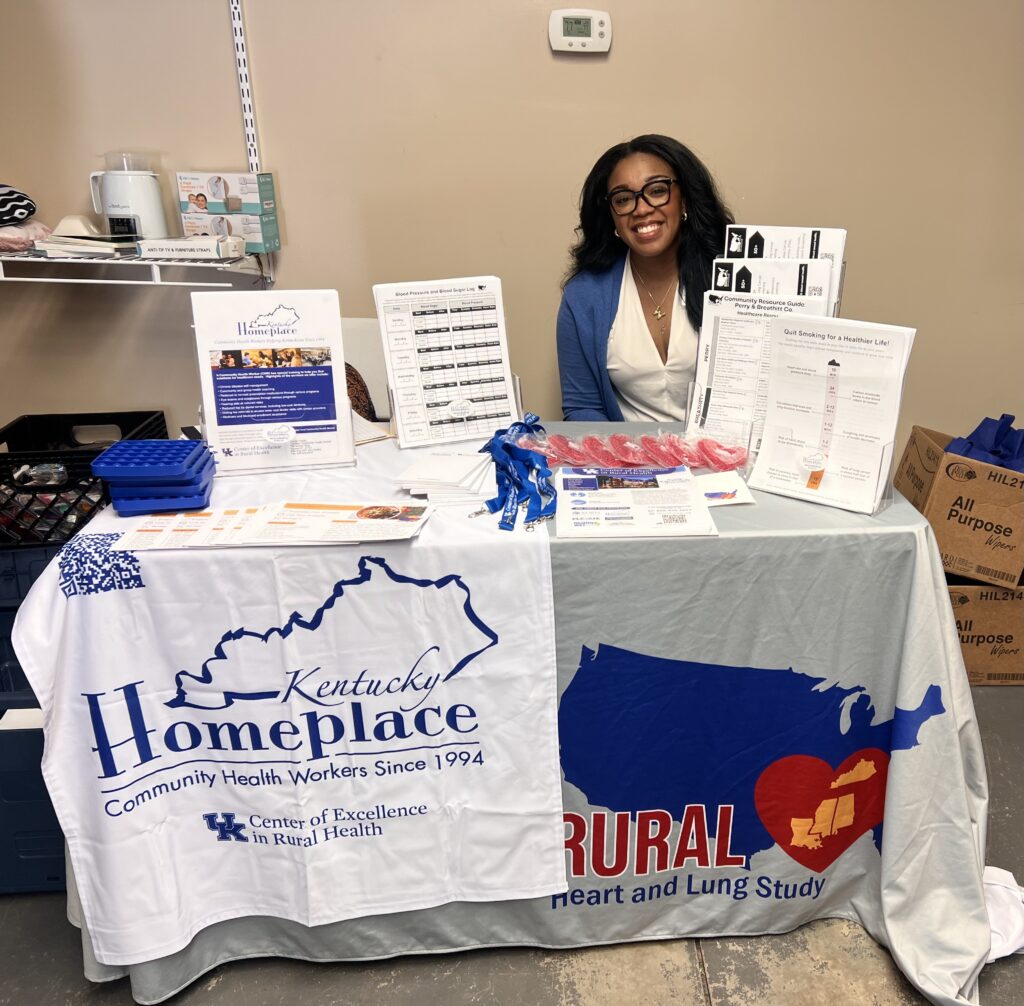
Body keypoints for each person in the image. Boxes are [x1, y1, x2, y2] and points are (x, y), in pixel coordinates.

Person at [557, 134, 733, 422]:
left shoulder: (733, 280)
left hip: (722, 460)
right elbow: (583, 407)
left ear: (684, 199)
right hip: (630, 462)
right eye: (624, 199)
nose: (641, 209)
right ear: (611, 215)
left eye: (657, 190)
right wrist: (621, 465)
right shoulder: (584, 296)